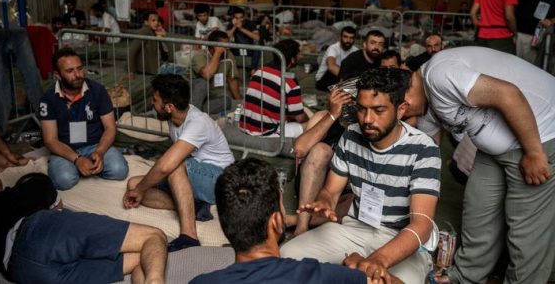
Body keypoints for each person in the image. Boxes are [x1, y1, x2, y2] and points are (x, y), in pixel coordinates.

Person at [402, 46, 555, 284]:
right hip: (492, 149)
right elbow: (429, 154)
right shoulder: (425, 105)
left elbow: (508, 94)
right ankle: (465, 277)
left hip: (539, 133)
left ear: (406, 94)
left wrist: (534, 153)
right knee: (477, 210)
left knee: (525, 227)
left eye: (402, 109)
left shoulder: (439, 74)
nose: (404, 115)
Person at [281, 68, 441, 284]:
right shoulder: (351, 135)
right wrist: (324, 201)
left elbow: (421, 226)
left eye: (378, 110)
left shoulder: (424, 149)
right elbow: (331, 191)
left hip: (399, 238)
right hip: (355, 228)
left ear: (401, 110)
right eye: (362, 109)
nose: (367, 119)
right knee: (286, 256)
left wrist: (378, 260)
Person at [189, 158, 372, 284]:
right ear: (277, 221)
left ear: (224, 224)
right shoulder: (320, 275)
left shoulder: (200, 282)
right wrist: (357, 269)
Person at [124, 74, 235, 252]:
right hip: (194, 175)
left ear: (169, 107)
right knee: (133, 184)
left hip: (220, 179)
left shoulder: (198, 122)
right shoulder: (174, 119)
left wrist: (140, 190)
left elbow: (166, 165)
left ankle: (189, 236)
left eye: (155, 100)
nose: (152, 103)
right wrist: (139, 189)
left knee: (172, 167)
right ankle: (196, 206)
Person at [0, 172, 167, 284]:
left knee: (143, 257)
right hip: (38, 230)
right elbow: (58, 209)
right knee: (153, 236)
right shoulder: (30, 185)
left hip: (20, 271)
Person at [38, 48, 128, 190]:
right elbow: (50, 140)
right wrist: (77, 160)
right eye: (70, 71)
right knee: (64, 179)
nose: (77, 74)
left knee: (119, 170)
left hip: (95, 145)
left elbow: (110, 127)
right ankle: (78, 168)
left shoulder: (98, 90)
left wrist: (100, 152)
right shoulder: (48, 98)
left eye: (80, 68)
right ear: (57, 75)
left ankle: (88, 167)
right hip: (65, 149)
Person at [292, 88, 353, 236]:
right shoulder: (323, 116)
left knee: (361, 202)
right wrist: (333, 115)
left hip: (342, 193)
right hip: (312, 186)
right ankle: (301, 227)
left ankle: (292, 220)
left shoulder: (368, 124)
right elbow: (299, 150)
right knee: (321, 150)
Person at [240, 39, 308, 138]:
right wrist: (309, 120)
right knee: (313, 125)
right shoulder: (290, 82)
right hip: (265, 132)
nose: (301, 56)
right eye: (299, 54)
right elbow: (300, 118)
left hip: (244, 127)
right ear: (293, 59)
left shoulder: (259, 71)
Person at [191, 30, 242, 115]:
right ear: (214, 46)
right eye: (224, 46)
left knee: (226, 101)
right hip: (192, 93)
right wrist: (218, 52)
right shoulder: (200, 55)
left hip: (210, 95)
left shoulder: (228, 55)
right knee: (202, 83)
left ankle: (195, 112)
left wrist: (239, 101)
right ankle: (192, 114)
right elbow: (207, 75)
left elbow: (232, 80)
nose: (227, 48)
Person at [315, 26, 358, 91]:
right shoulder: (333, 48)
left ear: (354, 39)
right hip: (323, 80)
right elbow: (331, 67)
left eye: (351, 38)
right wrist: (348, 78)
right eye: (345, 37)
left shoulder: (355, 50)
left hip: (341, 79)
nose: (348, 40)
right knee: (334, 69)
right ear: (340, 37)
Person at [128, 10, 169, 75]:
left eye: (157, 20)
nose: (156, 23)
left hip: (158, 65)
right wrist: (131, 71)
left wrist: (162, 37)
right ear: (146, 22)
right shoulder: (144, 32)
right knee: (180, 70)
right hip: (150, 69)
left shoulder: (153, 31)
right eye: (153, 20)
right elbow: (132, 51)